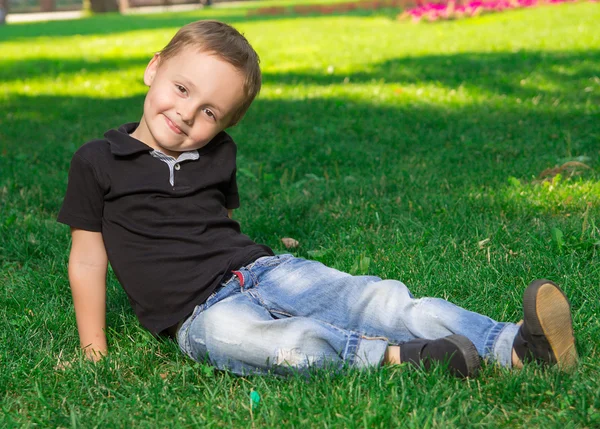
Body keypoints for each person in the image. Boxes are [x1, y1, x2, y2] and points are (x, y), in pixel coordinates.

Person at [57, 20, 578, 378]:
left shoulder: (218, 154)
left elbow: (221, 225)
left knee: (374, 298)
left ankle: (512, 344)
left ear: (227, 124)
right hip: (195, 316)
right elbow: (87, 259)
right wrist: (92, 349)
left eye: (211, 112)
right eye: (182, 88)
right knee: (273, 341)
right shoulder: (97, 160)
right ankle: (405, 359)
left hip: (264, 270)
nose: (188, 113)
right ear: (154, 69)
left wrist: (260, 272)